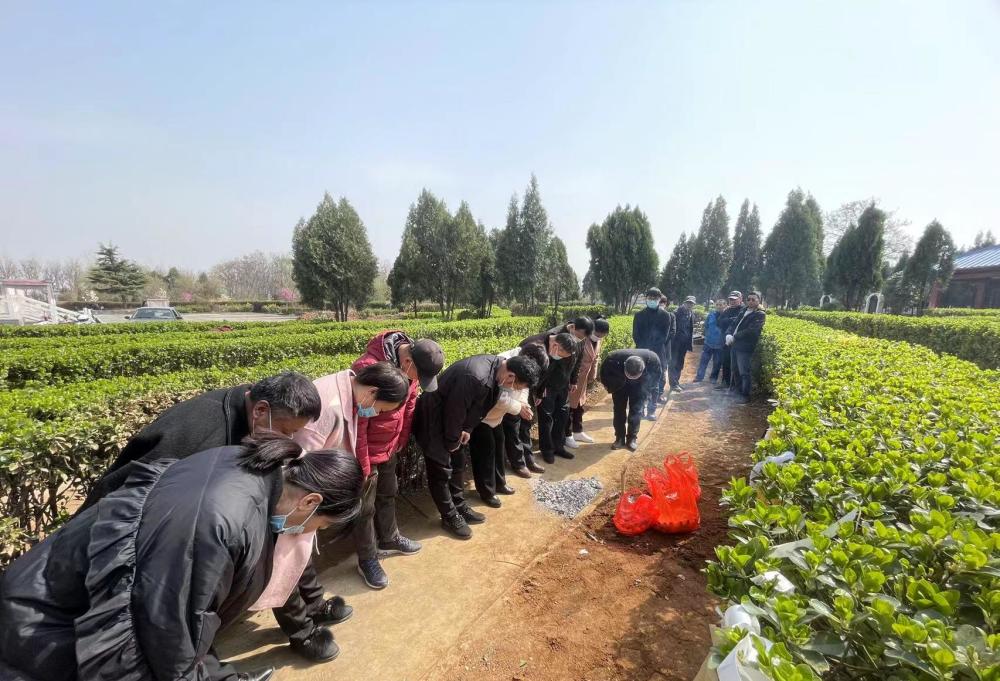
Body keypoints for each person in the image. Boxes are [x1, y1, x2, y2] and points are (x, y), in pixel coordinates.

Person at [0, 436, 364, 681]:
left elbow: (187, 615)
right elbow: (167, 634)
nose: (306, 532)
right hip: (46, 628)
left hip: (51, 591)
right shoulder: (220, 522)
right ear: (310, 501)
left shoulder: (247, 465)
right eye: (319, 525)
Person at [80, 371, 323, 510]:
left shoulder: (244, 416)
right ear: (260, 410)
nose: (287, 440)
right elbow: (123, 501)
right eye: (284, 431)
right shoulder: (196, 435)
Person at [295, 362, 410, 591]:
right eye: (382, 409)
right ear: (372, 392)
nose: (377, 414)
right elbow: (300, 465)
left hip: (324, 477)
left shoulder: (351, 390)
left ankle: (312, 600)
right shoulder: (328, 408)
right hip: (304, 493)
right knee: (297, 547)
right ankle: (308, 606)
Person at [413, 353, 543, 539]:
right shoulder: (475, 376)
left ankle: (458, 506)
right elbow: (454, 411)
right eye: (515, 386)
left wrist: (467, 428)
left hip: (454, 422)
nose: (512, 390)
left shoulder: (498, 371)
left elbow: (478, 405)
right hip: (434, 420)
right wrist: (452, 442)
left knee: (457, 464)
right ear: (511, 376)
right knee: (440, 469)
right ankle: (449, 517)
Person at [349, 333, 444, 581]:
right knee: (365, 507)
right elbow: (359, 423)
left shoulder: (412, 367)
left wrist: (400, 440)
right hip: (366, 450)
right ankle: (367, 558)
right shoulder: (368, 368)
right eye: (418, 377)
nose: (417, 382)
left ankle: (390, 537)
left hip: (389, 446)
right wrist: (363, 463)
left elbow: (410, 405)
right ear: (408, 363)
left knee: (389, 492)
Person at [470, 344, 549, 506]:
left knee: (499, 447)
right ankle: (486, 491)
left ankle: (500, 483)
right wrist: (519, 408)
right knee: (484, 453)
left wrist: (522, 403)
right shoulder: (506, 367)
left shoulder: (522, 367)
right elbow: (499, 398)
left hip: (497, 417)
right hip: (483, 416)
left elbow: (525, 388)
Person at [519, 330, 580, 463]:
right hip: (547, 387)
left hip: (563, 386)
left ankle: (559, 446)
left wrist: (572, 380)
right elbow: (540, 373)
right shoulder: (538, 348)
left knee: (562, 415)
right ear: (556, 346)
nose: (565, 358)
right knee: (546, 418)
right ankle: (547, 450)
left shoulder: (571, 347)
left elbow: (574, 365)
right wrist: (540, 392)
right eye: (563, 355)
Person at [599, 349, 662, 452]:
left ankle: (632, 439)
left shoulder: (652, 359)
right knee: (619, 410)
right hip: (619, 383)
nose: (632, 378)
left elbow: (656, 377)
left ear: (643, 368)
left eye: (634, 376)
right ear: (624, 366)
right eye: (630, 376)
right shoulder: (613, 359)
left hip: (640, 385)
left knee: (636, 411)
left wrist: (647, 391)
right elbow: (604, 373)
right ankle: (619, 438)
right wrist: (608, 386)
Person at [548, 316, 594, 450]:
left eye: (583, 338)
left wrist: (573, 381)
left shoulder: (581, 337)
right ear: (572, 327)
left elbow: (578, 360)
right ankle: (549, 445)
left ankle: (561, 441)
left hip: (566, 381)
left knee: (563, 412)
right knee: (549, 415)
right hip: (550, 382)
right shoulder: (555, 335)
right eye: (580, 336)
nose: (580, 340)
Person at [566, 317, 610, 444]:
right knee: (569, 406)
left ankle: (578, 431)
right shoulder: (580, 339)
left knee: (580, 405)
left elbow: (595, 358)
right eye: (597, 334)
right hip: (573, 379)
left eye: (602, 335)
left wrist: (593, 375)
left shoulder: (599, 341)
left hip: (583, 379)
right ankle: (567, 435)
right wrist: (572, 379)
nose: (599, 337)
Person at [631, 287, 673, 416]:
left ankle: (651, 410)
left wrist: (652, 349)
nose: (652, 300)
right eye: (650, 298)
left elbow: (664, 337)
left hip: (657, 353)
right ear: (646, 299)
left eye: (655, 298)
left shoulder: (665, 316)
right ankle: (641, 408)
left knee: (655, 382)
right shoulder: (639, 315)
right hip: (641, 352)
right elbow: (636, 335)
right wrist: (644, 348)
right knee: (641, 382)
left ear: (659, 299)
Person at [724, 291, 767, 403]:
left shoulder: (760, 314)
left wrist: (735, 336)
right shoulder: (744, 310)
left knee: (744, 372)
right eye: (749, 299)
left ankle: (745, 396)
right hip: (734, 344)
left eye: (754, 299)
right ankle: (736, 392)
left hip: (745, 347)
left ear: (759, 301)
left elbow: (751, 331)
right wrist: (728, 334)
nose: (751, 301)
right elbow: (734, 323)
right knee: (735, 369)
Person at [715, 291, 744, 391]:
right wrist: (731, 320)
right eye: (731, 299)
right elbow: (719, 322)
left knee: (736, 365)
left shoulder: (743, 310)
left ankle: (735, 386)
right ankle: (725, 382)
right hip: (726, 341)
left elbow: (740, 324)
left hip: (738, 341)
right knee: (726, 362)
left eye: (735, 299)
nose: (732, 301)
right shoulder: (726, 310)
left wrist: (728, 321)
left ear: (740, 299)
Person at [695, 299, 726, 383]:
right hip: (708, 343)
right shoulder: (711, 315)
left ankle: (713, 378)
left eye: (721, 305)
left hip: (720, 344)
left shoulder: (726, 316)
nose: (719, 306)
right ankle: (699, 377)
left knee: (717, 363)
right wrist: (707, 336)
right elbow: (706, 326)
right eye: (718, 305)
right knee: (703, 361)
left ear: (725, 306)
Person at [668, 296, 696, 392]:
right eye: (688, 302)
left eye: (691, 303)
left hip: (684, 344)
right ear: (684, 302)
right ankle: (673, 384)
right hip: (675, 344)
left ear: (693, 304)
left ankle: (677, 382)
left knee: (680, 363)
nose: (689, 304)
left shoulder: (691, 314)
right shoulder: (675, 313)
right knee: (673, 363)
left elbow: (690, 329)